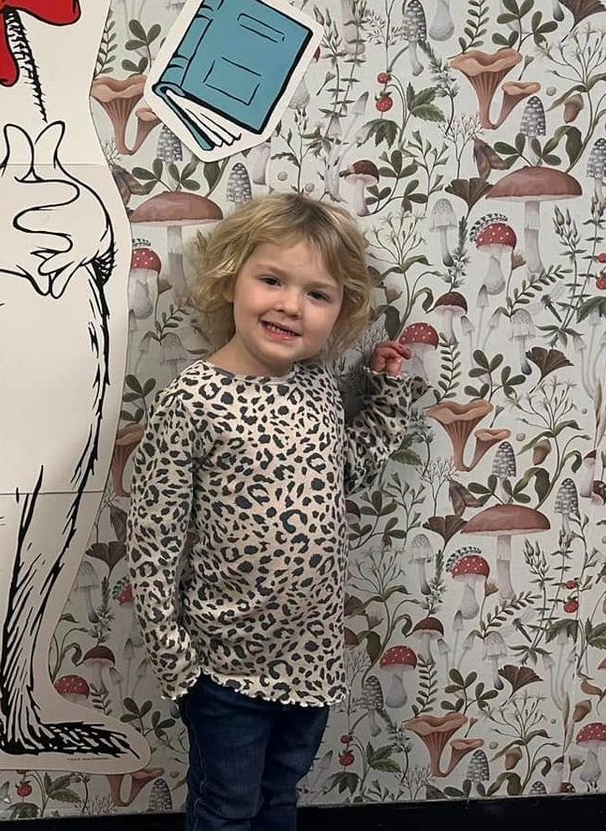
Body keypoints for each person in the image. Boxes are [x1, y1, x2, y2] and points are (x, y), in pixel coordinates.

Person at [126, 192, 427, 831]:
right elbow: (154, 537)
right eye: (272, 280)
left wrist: (385, 392)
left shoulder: (318, 387)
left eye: (318, 294)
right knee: (228, 806)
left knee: (280, 799)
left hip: (312, 661)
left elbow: (349, 466)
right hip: (222, 667)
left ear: (340, 311)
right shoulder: (192, 401)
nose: (291, 305)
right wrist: (175, 660)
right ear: (232, 278)